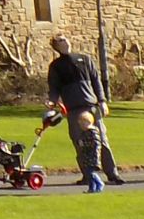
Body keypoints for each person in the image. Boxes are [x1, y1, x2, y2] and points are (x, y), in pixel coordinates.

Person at [46, 35, 124, 189]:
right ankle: (88, 175)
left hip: (91, 106)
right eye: (61, 40)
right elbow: (54, 87)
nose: (66, 40)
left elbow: (96, 81)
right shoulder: (56, 66)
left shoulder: (85, 59)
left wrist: (102, 101)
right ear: (57, 46)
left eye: (65, 38)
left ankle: (112, 174)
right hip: (73, 109)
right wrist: (52, 100)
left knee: (101, 140)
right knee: (80, 142)